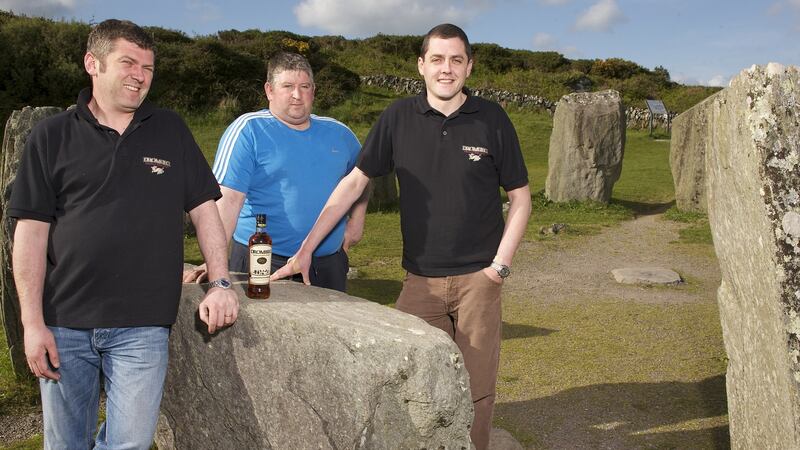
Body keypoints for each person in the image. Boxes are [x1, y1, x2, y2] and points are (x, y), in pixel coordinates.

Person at [272, 24, 531, 449]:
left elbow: (520, 199)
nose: (446, 69)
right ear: (421, 65)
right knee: (412, 389)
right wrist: (306, 248)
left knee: (478, 393)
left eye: (455, 60)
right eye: (437, 59)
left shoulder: (492, 119)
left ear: (469, 66)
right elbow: (354, 183)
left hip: (479, 283)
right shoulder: (397, 117)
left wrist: (498, 268)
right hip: (418, 284)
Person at [10, 19, 239, 450]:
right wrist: (32, 323)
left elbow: (206, 210)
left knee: (129, 443)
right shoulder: (50, 137)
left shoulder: (171, 130)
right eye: (128, 63)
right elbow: (30, 234)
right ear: (92, 63)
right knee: (65, 444)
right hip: (64, 322)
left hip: (143, 324)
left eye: (148, 68)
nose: (140, 76)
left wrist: (221, 281)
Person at [183, 52, 367, 293]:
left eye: (305, 86)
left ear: (314, 90)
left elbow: (361, 178)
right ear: (269, 90)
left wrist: (357, 221)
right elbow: (227, 200)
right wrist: (214, 261)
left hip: (327, 262)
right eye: (288, 86)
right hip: (262, 261)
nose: (297, 95)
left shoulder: (341, 134)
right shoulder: (248, 130)